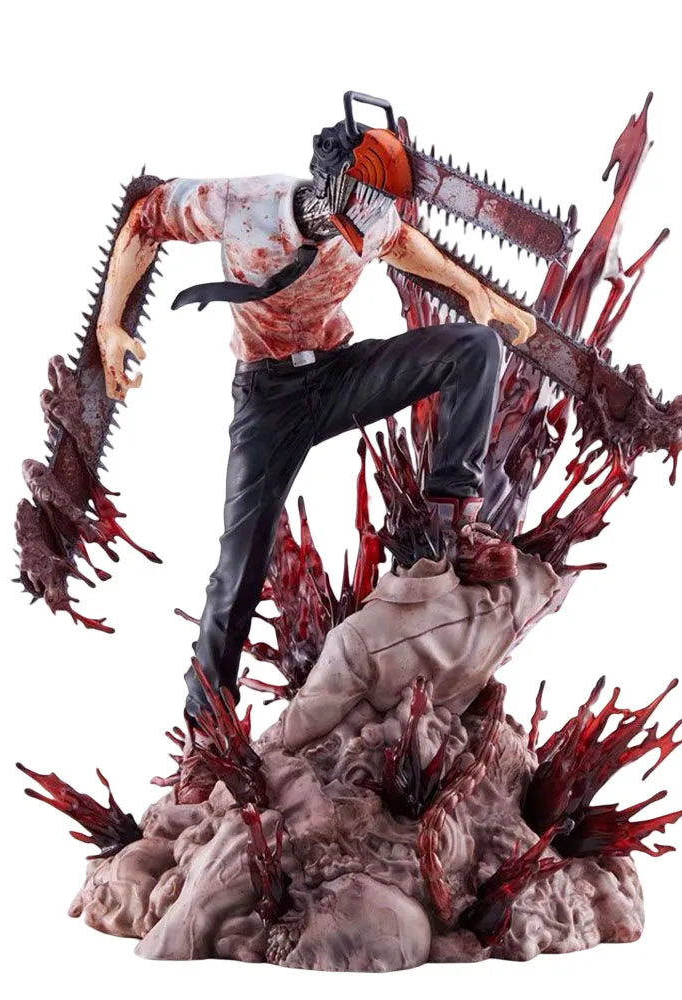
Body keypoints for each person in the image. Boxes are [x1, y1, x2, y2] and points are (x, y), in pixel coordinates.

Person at [93, 95, 538, 718]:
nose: (377, 216)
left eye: (381, 204)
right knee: (240, 566)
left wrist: (474, 292)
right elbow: (147, 216)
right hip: (268, 397)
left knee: (475, 347)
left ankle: (455, 523)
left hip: (338, 374)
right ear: (333, 186)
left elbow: (403, 243)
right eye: (367, 201)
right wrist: (110, 323)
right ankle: (207, 715)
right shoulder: (243, 203)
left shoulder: (373, 221)